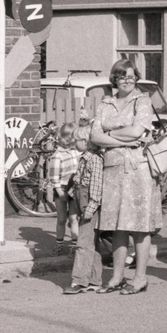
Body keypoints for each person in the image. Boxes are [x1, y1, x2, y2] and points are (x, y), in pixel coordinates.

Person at [89, 58, 162, 295]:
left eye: (131, 76)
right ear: (115, 79)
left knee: (140, 227)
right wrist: (122, 138)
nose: (127, 81)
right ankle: (117, 277)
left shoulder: (142, 101)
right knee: (116, 226)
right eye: (123, 77)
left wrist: (110, 133)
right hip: (112, 170)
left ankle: (140, 278)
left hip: (138, 170)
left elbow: (138, 131)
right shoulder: (106, 103)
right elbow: (95, 136)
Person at [65, 122, 105, 294]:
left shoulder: (94, 160)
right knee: (91, 243)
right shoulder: (84, 158)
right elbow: (79, 181)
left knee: (83, 243)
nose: (75, 143)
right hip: (82, 203)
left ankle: (80, 281)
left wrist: (91, 207)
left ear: (87, 141)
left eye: (78, 140)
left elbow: (96, 186)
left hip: (90, 205)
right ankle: (95, 279)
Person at [47, 122, 82, 255]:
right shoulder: (57, 155)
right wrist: (60, 192)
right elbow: (54, 177)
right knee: (61, 218)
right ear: (70, 138)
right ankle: (59, 243)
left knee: (74, 218)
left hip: (74, 187)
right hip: (61, 188)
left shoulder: (76, 152)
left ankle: (74, 244)